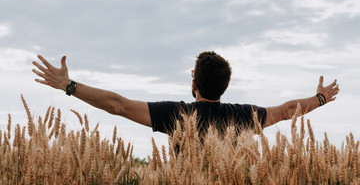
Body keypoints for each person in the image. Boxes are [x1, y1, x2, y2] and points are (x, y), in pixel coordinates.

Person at [32, 51, 340, 137]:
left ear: (193, 85)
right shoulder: (245, 115)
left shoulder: (176, 114)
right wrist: (321, 98)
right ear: (225, 85)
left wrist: (69, 86)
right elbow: (288, 111)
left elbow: (119, 106)